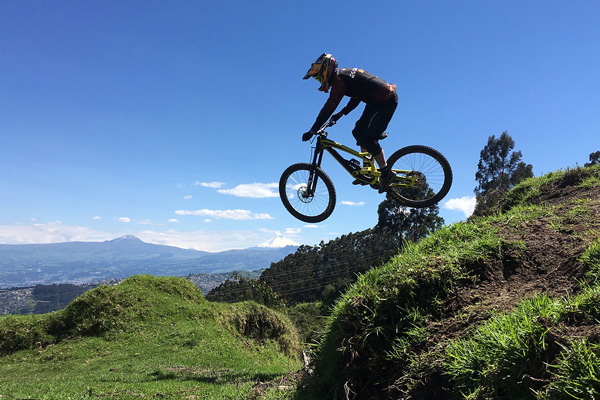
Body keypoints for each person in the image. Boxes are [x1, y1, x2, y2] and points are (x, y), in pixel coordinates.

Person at [302, 53, 398, 193]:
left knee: (368, 138)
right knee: (358, 132)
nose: (319, 80)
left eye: (318, 77)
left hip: (385, 102)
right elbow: (356, 97)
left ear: (325, 70)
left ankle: (386, 173)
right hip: (376, 101)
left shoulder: (339, 80)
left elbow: (329, 107)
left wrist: (312, 130)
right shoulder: (344, 76)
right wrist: (341, 114)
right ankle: (366, 169)